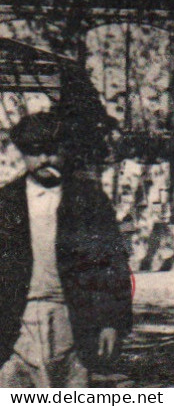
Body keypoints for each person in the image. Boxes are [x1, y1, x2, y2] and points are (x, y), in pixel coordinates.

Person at [1, 109, 132, 388]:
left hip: (72, 318)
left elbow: (113, 264)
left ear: (65, 150)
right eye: (35, 151)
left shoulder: (88, 201)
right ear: (22, 154)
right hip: (17, 321)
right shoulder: (6, 203)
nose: (45, 159)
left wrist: (111, 321)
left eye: (52, 150)